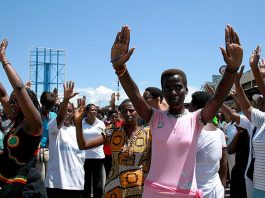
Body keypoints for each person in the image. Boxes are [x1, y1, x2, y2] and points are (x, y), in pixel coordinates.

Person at [110, 25, 242, 197]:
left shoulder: (196, 119)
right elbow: (135, 95)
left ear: (186, 90)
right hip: (153, 192)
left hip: (186, 193)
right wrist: (120, 69)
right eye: (168, 88)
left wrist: (232, 70)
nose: (173, 92)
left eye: (178, 87)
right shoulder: (154, 117)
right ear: (163, 92)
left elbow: (217, 98)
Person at [74, 98, 152, 197]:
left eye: (131, 110)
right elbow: (83, 145)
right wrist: (78, 123)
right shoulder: (111, 132)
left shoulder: (148, 133)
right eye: (125, 111)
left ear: (138, 112)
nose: (128, 114)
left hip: (140, 188)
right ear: (120, 114)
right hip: (115, 187)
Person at [0, 39, 46, 197]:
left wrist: (4, 60)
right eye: (11, 101)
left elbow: (19, 88)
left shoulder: (34, 125)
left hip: (28, 190)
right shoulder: (15, 123)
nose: (11, 104)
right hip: (10, 187)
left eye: (17, 101)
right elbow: (3, 94)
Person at [233, 46, 265, 197]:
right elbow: (245, 107)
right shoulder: (262, 120)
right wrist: (237, 82)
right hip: (259, 186)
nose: (261, 102)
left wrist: (256, 70)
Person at [45, 81, 85, 197]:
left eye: (70, 111)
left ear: (73, 113)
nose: (67, 114)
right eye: (65, 110)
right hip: (56, 184)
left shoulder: (78, 131)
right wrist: (66, 99)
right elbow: (60, 118)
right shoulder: (55, 128)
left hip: (76, 184)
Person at [189, 91, 227, 198]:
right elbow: (224, 162)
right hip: (193, 191)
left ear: (195, 108)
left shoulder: (219, 133)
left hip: (215, 191)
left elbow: (223, 162)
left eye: (190, 104)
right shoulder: (188, 131)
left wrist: (222, 186)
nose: (188, 109)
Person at [81, 103, 106, 198]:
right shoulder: (81, 123)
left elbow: (104, 138)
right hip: (84, 157)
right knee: (85, 181)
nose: (94, 112)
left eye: (95, 110)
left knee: (98, 182)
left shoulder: (101, 123)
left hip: (98, 157)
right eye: (92, 110)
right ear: (87, 112)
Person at [37, 91, 57, 181]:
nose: (48, 109)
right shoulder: (36, 115)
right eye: (46, 106)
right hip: (38, 150)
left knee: (50, 178)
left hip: (51, 150)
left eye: (51, 107)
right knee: (40, 178)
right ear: (42, 103)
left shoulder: (54, 116)